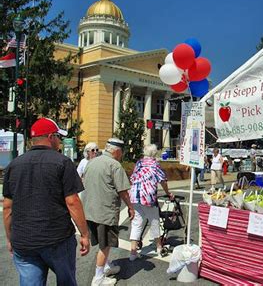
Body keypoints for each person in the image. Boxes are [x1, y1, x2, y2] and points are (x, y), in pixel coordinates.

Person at [2, 118, 89, 286]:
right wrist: (84, 234)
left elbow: (7, 207)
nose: (60, 141)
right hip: (57, 238)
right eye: (58, 137)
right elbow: (72, 202)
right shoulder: (62, 162)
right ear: (51, 137)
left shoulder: (14, 165)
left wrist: (10, 237)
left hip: (24, 240)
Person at [82, 138, 135, 286]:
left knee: (101, 242)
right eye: (121, 152)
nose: (121, 155)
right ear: (117, 151)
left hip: (90, 210)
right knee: (105, 244)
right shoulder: (114, 165)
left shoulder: (92, 162)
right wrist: (130, 207)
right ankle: (98, 278)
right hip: (105, 211)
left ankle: (106, 265)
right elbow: (123, 191)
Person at [128, 144, 174, 261]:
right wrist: (168, 193)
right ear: (154, 154)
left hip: (134, 195)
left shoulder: (139, 163)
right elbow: (163, 181)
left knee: (137, 223)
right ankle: (159, 247)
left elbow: (132, 178)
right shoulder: (155, 164)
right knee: (154, 221)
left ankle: (133, 252)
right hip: (147, 197)